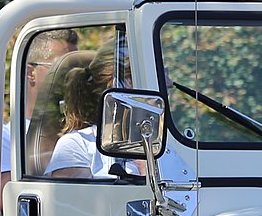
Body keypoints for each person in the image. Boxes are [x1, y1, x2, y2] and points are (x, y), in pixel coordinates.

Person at [46, 41, 187, 181]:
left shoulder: (167, 146)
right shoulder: (76, 145)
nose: (169, 83)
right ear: (120, 84)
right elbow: (78, 201)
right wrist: (144, 167)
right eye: (161, 75)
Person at [0, 29, 79, 190]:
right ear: (31, 73)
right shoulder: (6, 138)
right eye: (63, 66)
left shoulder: (85, 130)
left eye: (78, 68)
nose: (74, 76)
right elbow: (4, 198)